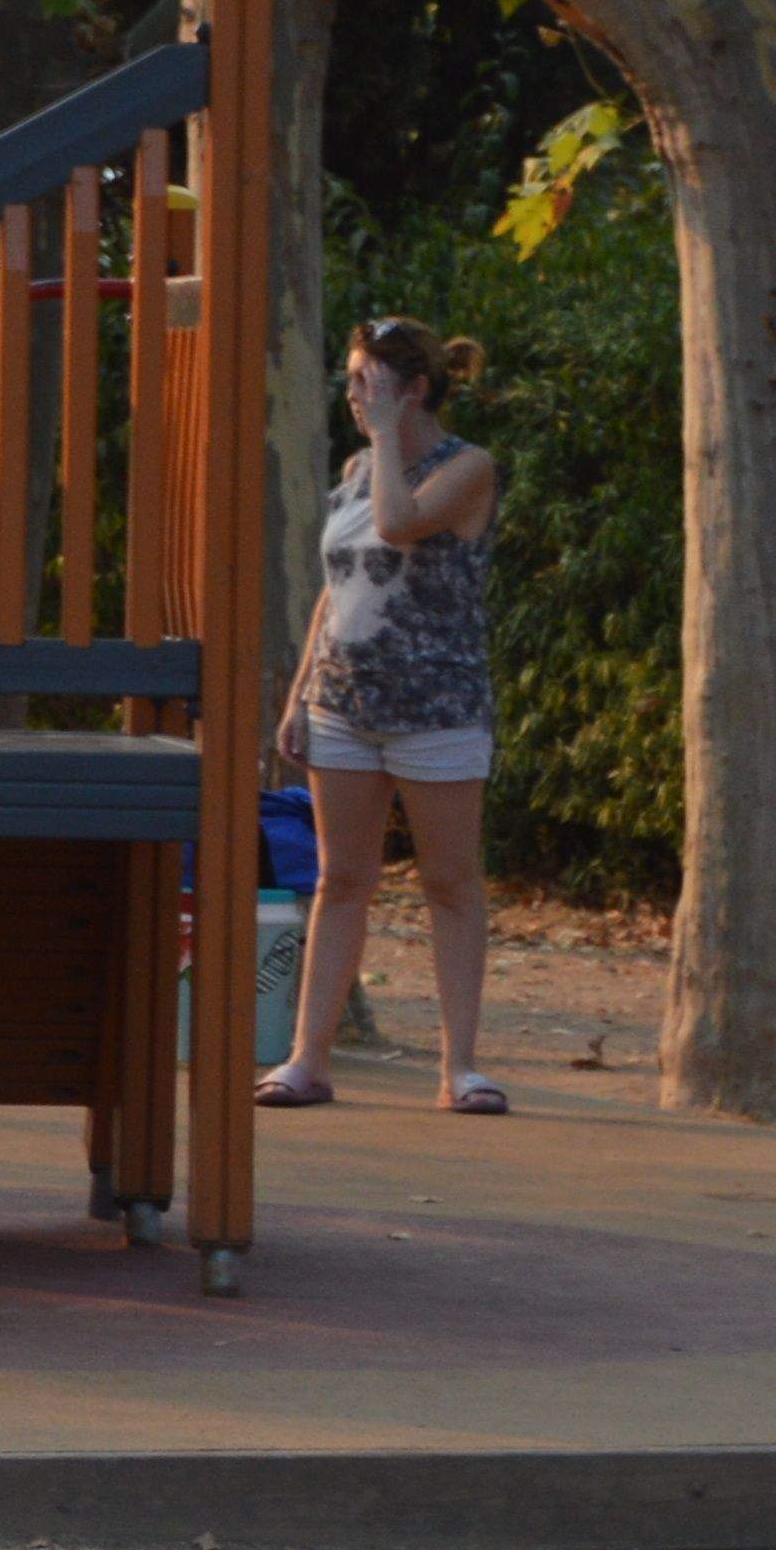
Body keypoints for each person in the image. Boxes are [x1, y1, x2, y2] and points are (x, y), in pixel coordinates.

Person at [266, 318, 510, 1117]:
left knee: (449, 883)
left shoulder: (466, 467)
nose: (355, 397)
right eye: (351, 381)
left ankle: (460, 1069)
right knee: (341, 880)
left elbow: (403, 525)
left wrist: (388, 438)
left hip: (436, 706)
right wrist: (303, 692)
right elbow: (340, 587)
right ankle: (308, 1060)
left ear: (415, 390)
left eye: (368, 383)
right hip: (344, 706)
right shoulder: (358, 466)